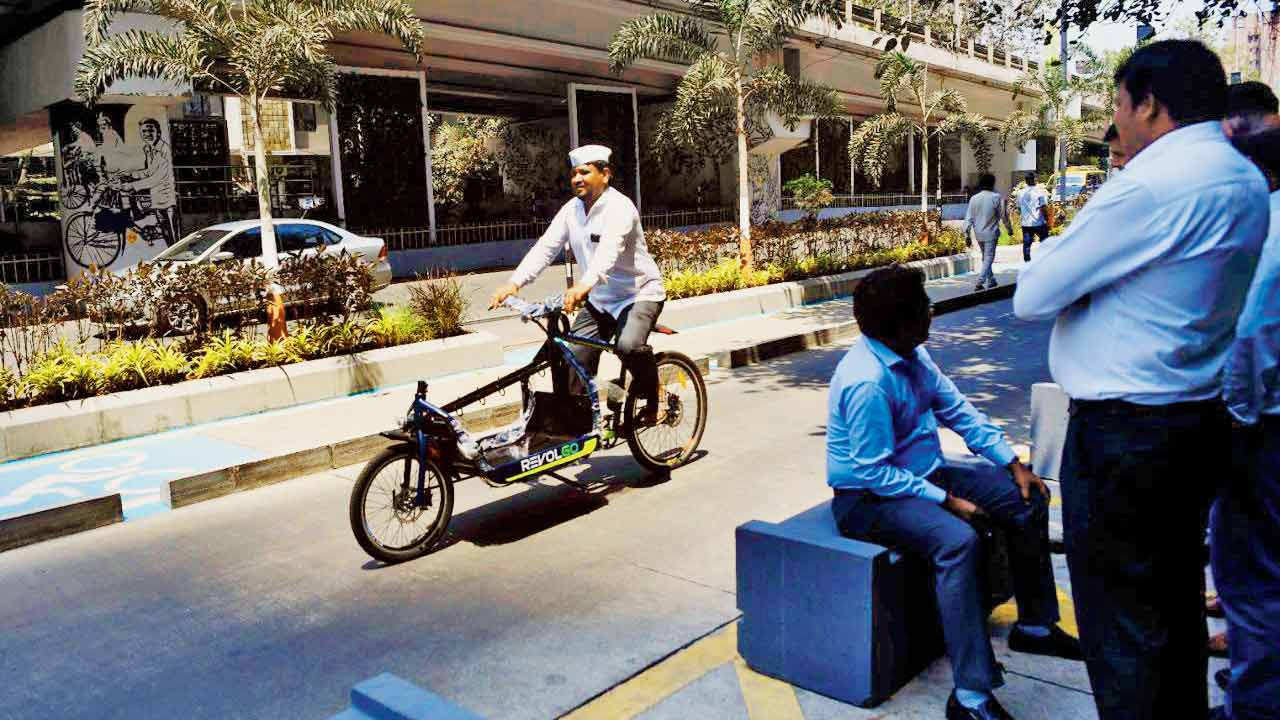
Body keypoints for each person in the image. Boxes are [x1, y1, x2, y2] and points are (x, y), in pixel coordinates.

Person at [1012, 40, 1270, 720]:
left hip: (1125, 437)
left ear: (1150, 104)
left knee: (1122, 632)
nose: (1117, 123)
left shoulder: (1151, 185)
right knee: (1172, 612)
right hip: (1193, 423)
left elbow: (1033, 293)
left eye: (1119, 105)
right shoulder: (1244, 182)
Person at [829, 265, 1081, 720]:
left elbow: (958, 411)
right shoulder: (866, 381)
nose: (932, 310)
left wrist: (1013, 463)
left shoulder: (913, 355)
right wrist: (948, 503)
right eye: (924, 306)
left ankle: (1036, 625)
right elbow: (872, 472)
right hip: (868, 499)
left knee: (1028, 498)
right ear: (901, 324)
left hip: (925, 475)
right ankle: (970, 696)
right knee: (958, 543)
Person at [489, 144, 666, 421]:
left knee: (628, 345)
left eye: (584, 172)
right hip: (599, 300)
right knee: (572, 358)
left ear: (605, 175)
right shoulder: (572, 210)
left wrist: (584, 284)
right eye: (574, 173)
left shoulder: (620, 208)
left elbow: (609, 250)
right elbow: (546, 248)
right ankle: (580, 426)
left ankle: (653, 392)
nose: (577, 179)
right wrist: (514, 283)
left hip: (638, 294)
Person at [1213, 126, 1280, 720]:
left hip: (1266, 432)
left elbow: (1252, 334)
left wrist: (1236, 417)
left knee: (1253, 578)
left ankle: (1252, 706)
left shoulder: (1271, 229)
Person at [124, 118, 177, 247]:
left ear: (158, 132)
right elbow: (150, 171)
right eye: (144, 131)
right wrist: (130, 174)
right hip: (157, 197)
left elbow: (157, 177)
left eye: (150, 130)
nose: (147, 133)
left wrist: (133, 185)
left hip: (167, 199)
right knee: (166, 233)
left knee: (172, 238)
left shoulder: (164, 150)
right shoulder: (149, 149)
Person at [961, 173, 1011, 291]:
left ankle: (991, 280)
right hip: (991, 233)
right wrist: (1009, 229)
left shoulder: (974, 198)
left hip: (978, 234)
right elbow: (1004, 216)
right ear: (992, 183)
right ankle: (980, 281)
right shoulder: (996, 197)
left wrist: (967, 235)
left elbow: (968, 218)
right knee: (989, 257)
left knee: (985, 257)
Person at [1014, 173, 1048, 262]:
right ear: (1034, 180)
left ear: (1026, 181)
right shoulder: (1040, 191)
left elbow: (1018, 207)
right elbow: (1043, 207)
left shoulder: (1020, 193)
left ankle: (1027, 263)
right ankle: (1044, 259)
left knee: (1027, 244)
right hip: (1038, 222)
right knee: (1044, 242)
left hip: (1026, 223)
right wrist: (1047, 218)